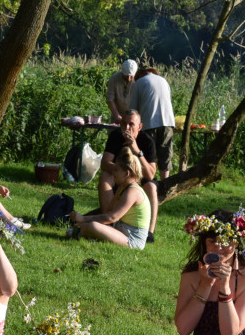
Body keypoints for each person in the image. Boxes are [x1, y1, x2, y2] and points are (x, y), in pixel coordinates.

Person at [66, 148, 150, 250]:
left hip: (132, 240)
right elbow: (110, 209)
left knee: (93, 226)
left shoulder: (133, 192)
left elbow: (112, 218)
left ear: (127, 173)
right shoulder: (125, 188)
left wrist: (83, 219)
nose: (113, 173)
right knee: (92, 225)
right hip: (121, 231)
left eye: (116, 170)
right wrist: (118, 190)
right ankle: (85, 233)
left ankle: (82, 233)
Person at [98, 109, 159, 242]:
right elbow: (104, 163)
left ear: (140, 126)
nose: (127, 128)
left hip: (140, 180)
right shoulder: (115, 136)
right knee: (104, 176)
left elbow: (150, 174)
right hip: (121, 177)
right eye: (124, 124)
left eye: (131, 124)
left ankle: (149, 233)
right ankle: (107, 219)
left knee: (151, 187)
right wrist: (122, 171)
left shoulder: (147, 141)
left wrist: (136, 150)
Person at [131, 67, 175, 180]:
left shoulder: (139, 83)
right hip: (168, 122)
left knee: (147, 154)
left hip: (149, 122)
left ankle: (148, 181)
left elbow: (133, 110)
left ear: (139, 75)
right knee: (165, 154)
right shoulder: (163, 80)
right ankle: (164, 183)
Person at [106, 59, 137, 123]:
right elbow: (110, 99)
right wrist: (116, 115)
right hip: (118, 114)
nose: (128, 78)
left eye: (131, 76)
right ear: (122, 72)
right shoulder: (114, 78)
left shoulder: (138, 80)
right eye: (126, 76)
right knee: (114, 132)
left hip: (134, 115)